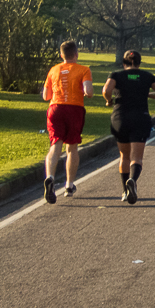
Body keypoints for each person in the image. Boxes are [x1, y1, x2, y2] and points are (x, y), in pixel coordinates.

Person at [102, 50, 155, 204]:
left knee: (124, 156)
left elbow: (106, 90)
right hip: (140, 118)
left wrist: (109, 100)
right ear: (139, 62)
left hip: (120, 118)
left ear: (124, 63)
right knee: (136, 157)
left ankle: (125, 191)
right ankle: (132, 179)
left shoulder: (116, 75)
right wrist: (147, 95)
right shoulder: (147, 76)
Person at [41, 40, 94, 203]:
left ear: (61, 55)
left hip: (55, 108)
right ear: (76, 54)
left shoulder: (53, 70)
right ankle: (69, 185)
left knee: (55, 144)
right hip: (74, 109)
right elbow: (88, 91)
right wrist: (85, 91)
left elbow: (46, 96)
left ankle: (50, 176)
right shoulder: (84, 70)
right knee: (71, 148)